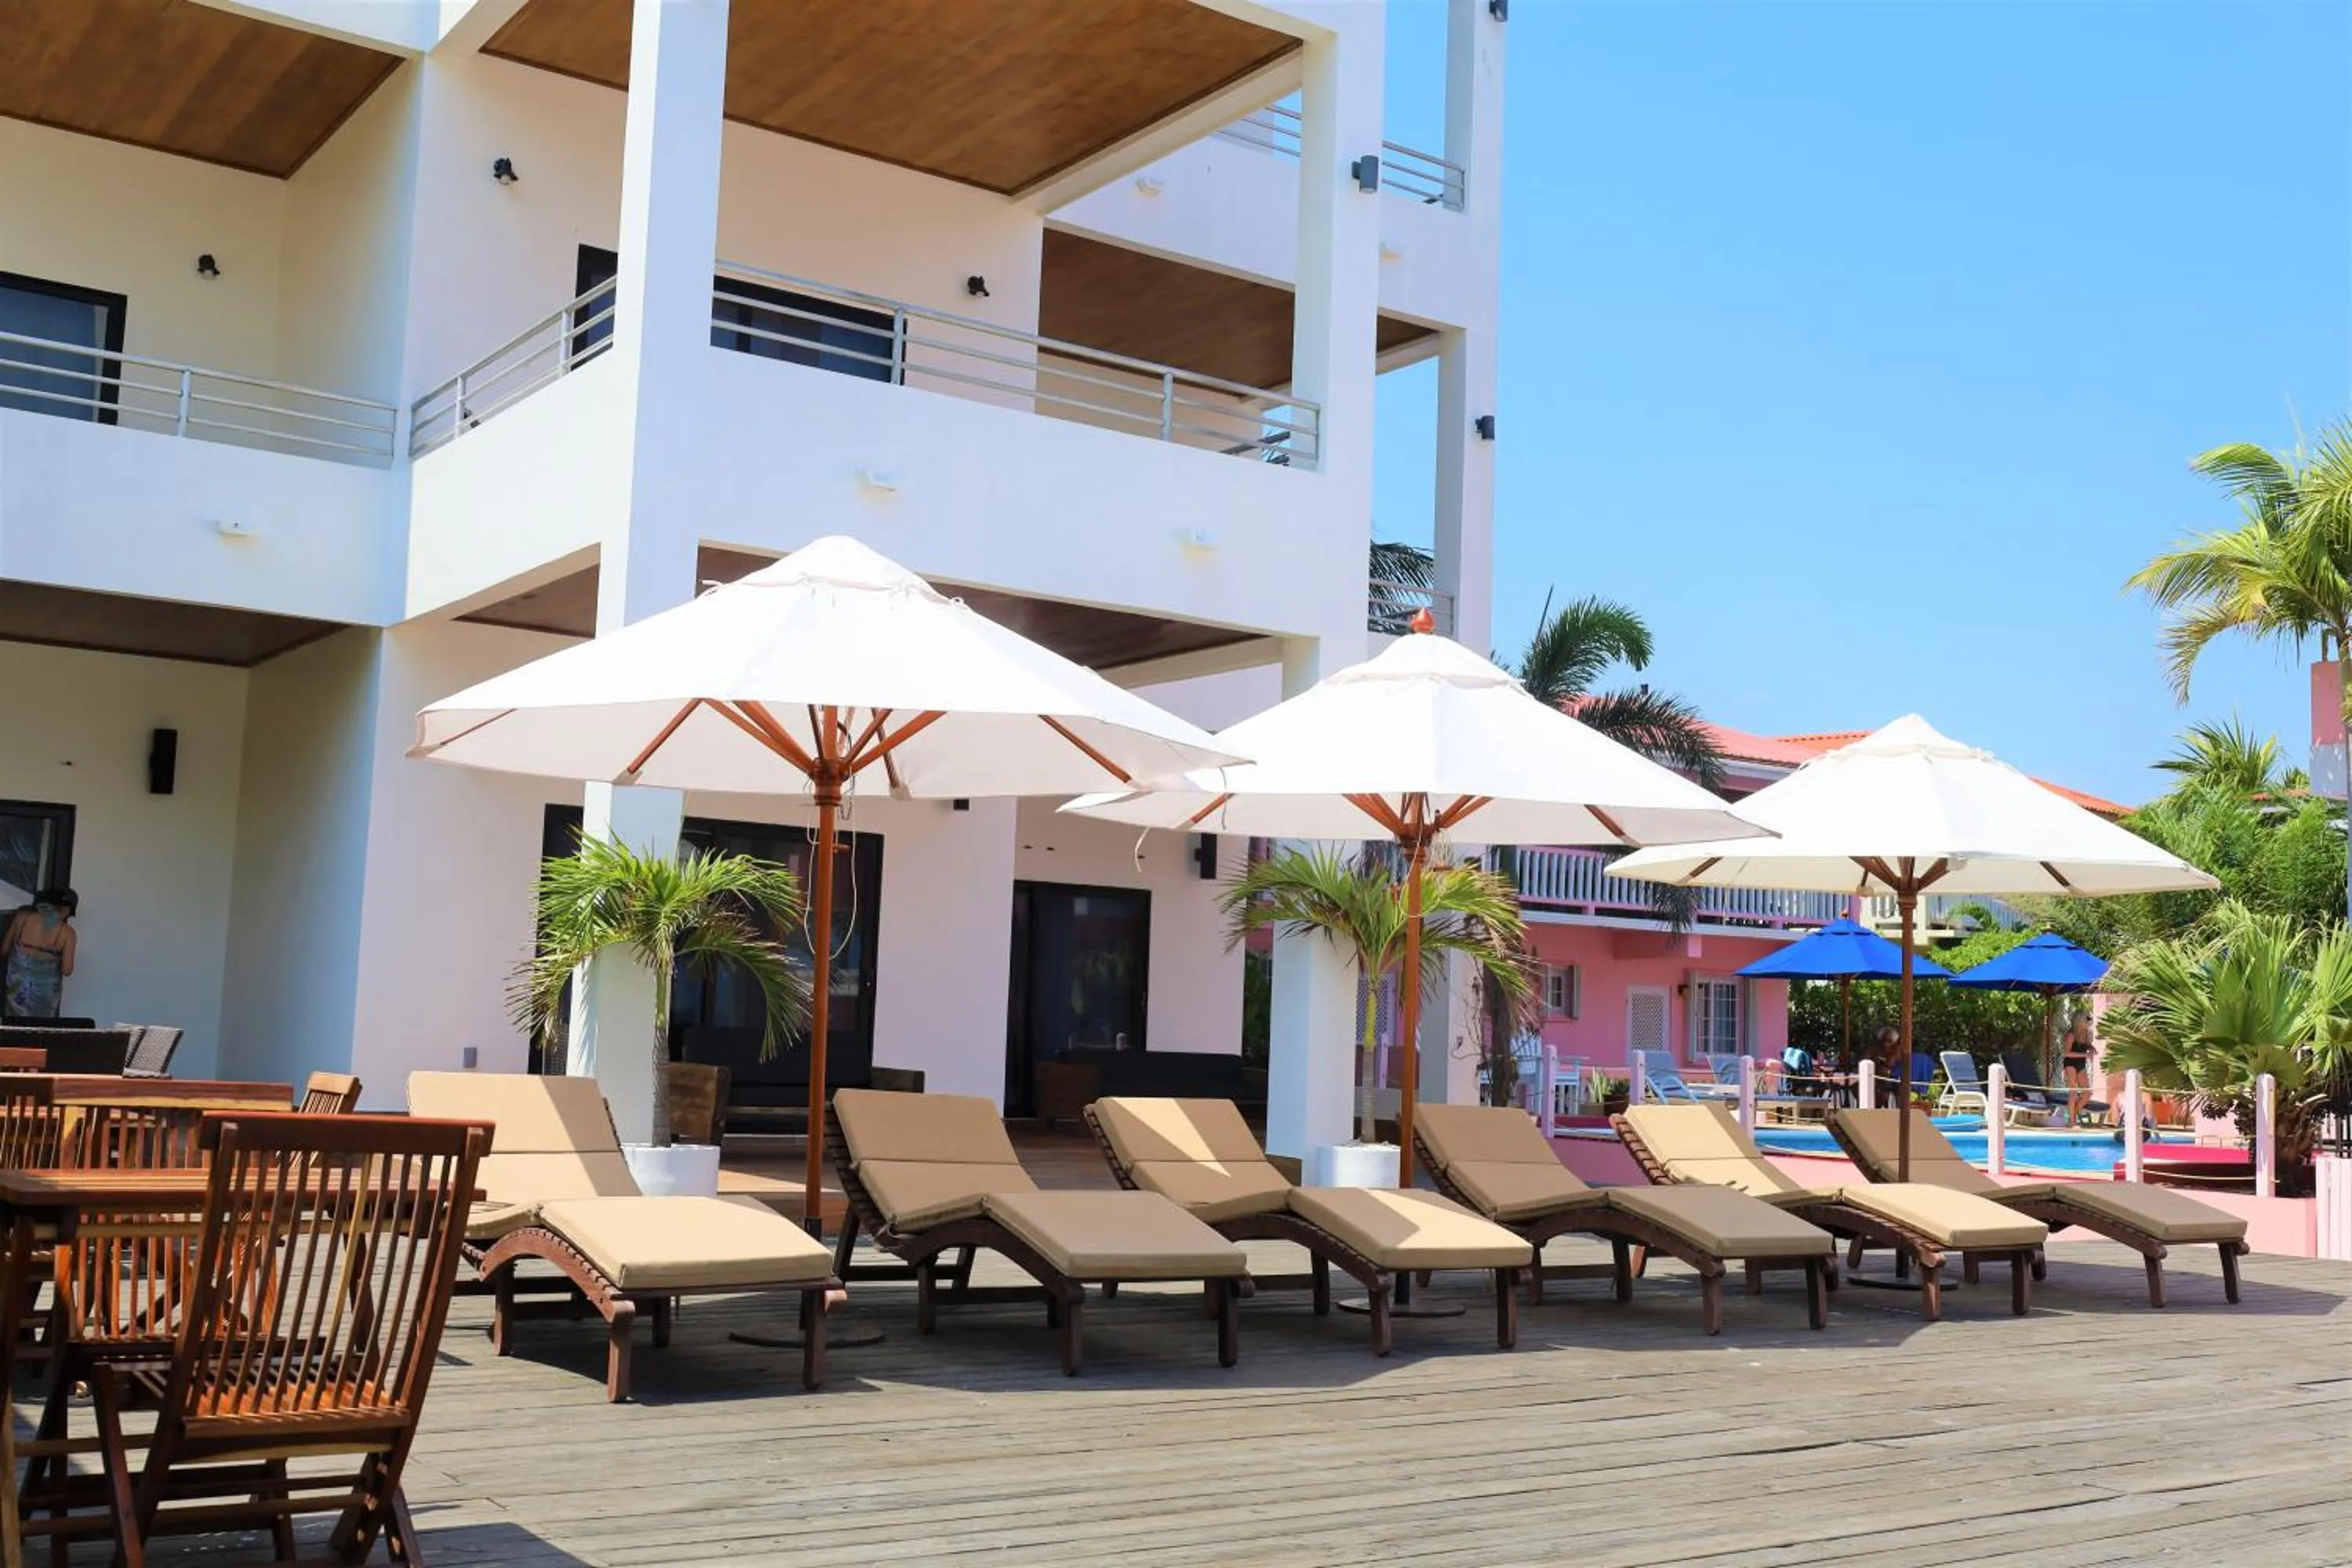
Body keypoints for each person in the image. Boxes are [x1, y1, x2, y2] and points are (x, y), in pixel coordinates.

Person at [1, 887, 77, 1020]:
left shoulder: (22, 918)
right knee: (40, 1032)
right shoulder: (67, 932)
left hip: (17, 989)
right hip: (45, 995)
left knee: (14, 1030)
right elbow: (67, 969)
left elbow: (4, 950)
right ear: (66, 910)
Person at [2060, 1011, 2095, 1127]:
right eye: (2087, 1020)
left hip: (2081, 1063)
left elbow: (2087, 1046)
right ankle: (2072, 1120)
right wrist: (2086, 1055)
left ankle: (2071, 1116)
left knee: (2087, 1094)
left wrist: (2092, 1049)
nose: (2089, 1022)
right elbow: (2066, 1053)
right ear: (2080, 1021)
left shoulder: (2087, 1033)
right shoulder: (2071, 1034)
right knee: (2073, 1093)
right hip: (2070, 1063)